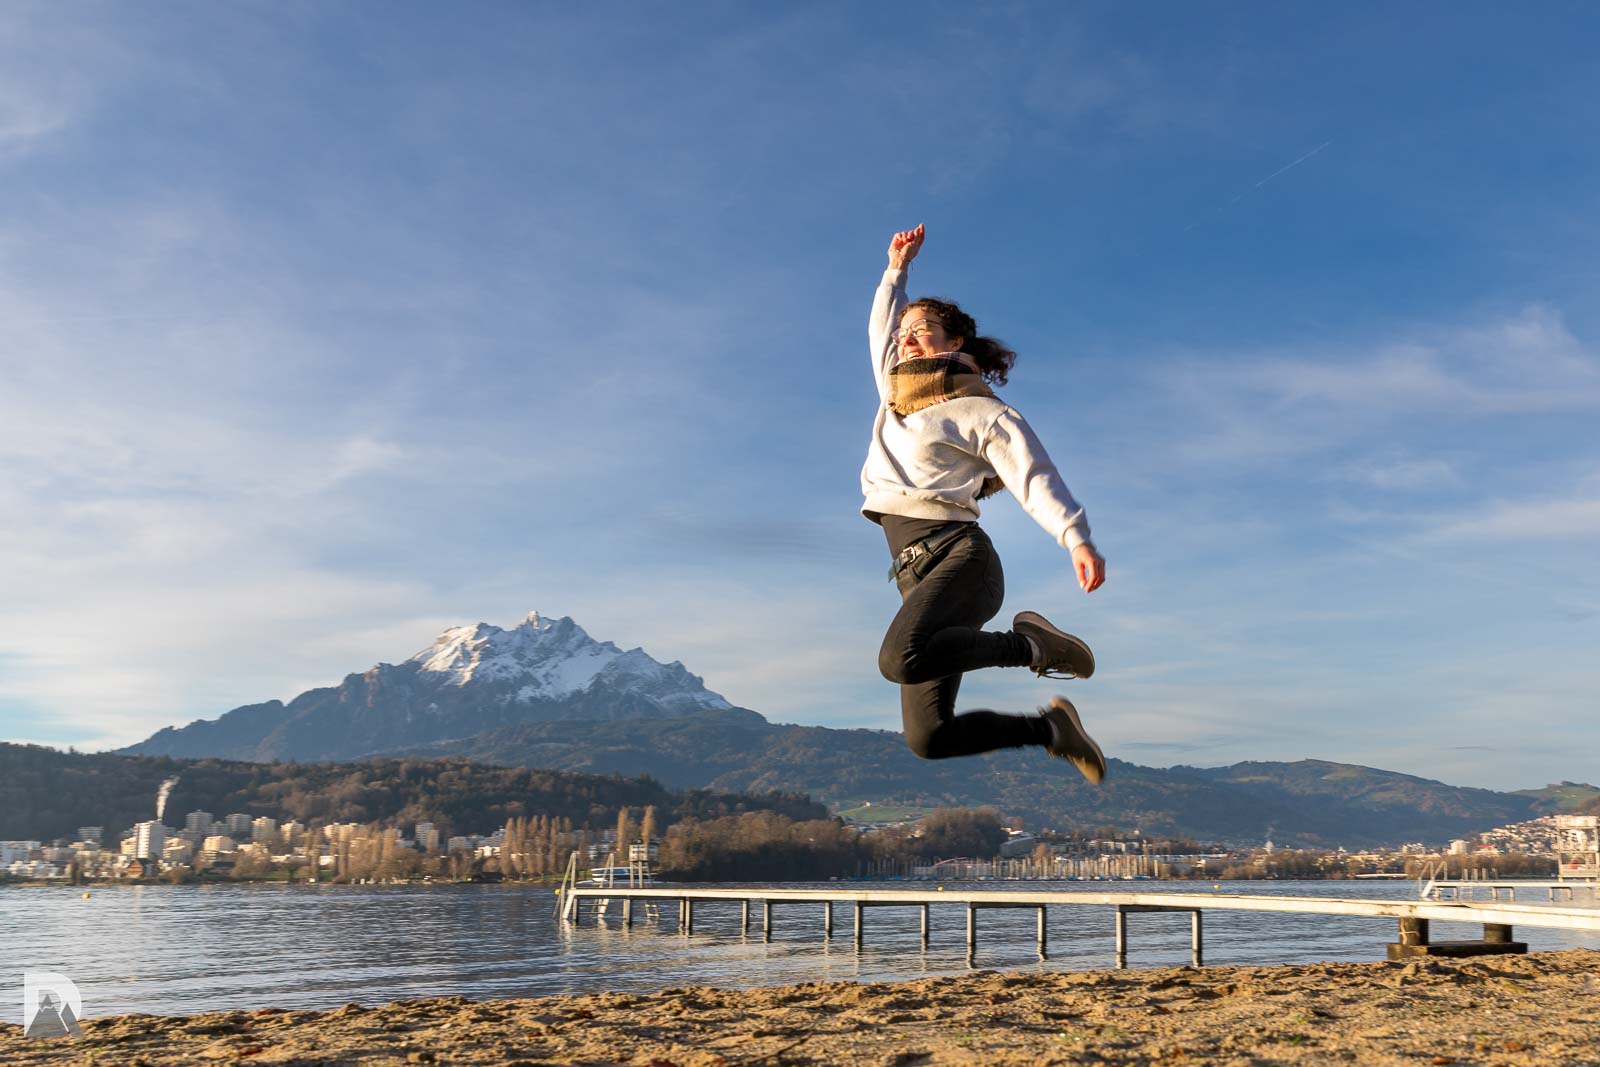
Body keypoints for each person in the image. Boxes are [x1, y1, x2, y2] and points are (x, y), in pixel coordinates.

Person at [862, 223, 1109, 784]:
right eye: (905, 333)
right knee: (929, 738)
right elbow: (880, 330)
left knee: (898, 659)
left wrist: (1075, 537)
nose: (906, 339)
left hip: (961, 561)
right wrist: (895, 271)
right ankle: (1051, 732)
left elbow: (1032, 473)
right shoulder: (893, 393)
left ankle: (1034, 648)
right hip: (914, 575)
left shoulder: (980, 411)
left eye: (922, 330)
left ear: (955, 345)